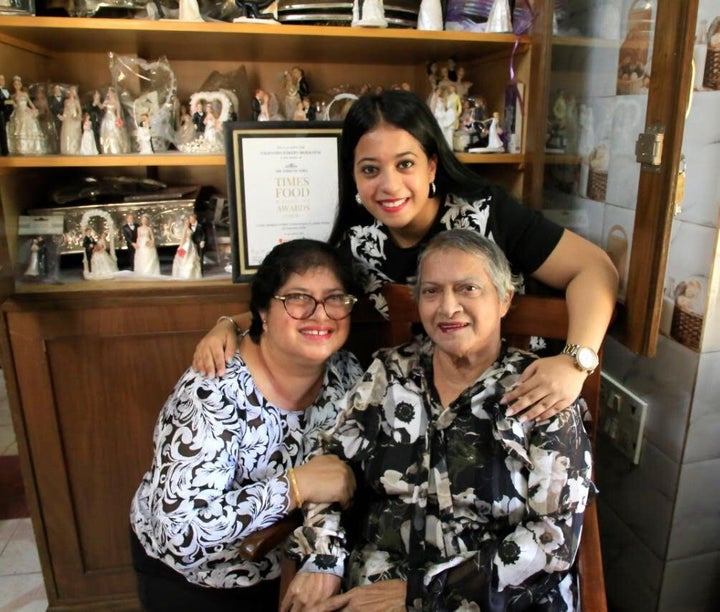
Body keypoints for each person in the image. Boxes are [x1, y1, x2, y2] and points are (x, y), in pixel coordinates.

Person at [193, 89, 617, 424]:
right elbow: (309, 305)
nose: (389, 186)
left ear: (432, 167)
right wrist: (230, 324)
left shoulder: (487, 212)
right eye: (370, 170)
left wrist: (575, 363)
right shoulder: (359, 241)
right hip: (423, 415)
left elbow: (594, 269)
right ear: (354, 176)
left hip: (523, 400)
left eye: (405, 164)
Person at [282, 229, 594, 611]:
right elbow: (329, 463)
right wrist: (324, 557)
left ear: (504, 299)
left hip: (493, 598)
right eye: (431, 291)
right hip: (373, 588)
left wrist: (419, 594)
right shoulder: (390, 372)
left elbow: (553, 542)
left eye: (467, 289)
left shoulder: (543, 391)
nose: (448, 308)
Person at [129, 239, 364, 611]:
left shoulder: (347, 374)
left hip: (283, 563)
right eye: (298, 298)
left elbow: (341, 472)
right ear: (263, 313)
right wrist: (295, 487)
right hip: (197, 579)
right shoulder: (211, 393)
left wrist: (323, 556)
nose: (321, 315)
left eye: (335, 298)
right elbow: (180, 532)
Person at [7, 75, 46, 155]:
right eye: (15, 84)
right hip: (18, 112)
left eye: (18, 84)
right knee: (20, 128)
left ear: (20, 85)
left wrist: (34, 109)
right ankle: (22, 148)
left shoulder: (25, 94)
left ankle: (31, 147)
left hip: (25, 111)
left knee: (29, 127)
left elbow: (30, 102)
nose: (17, 86)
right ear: (13, 86)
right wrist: (13, 104)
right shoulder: (13, 96)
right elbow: (14, 106)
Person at [59, 86, 82, 155]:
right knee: (67, 132)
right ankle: (67, 149)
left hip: (74, 118)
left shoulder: (76, 101)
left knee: (74, 133)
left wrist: (77, 116)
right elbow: (65, 110)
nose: (71, 93)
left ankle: (74, 149)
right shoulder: (66, 101)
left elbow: (79, 111)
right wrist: (63, 116)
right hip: (68, 118)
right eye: (70, 92)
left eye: (72, 92)